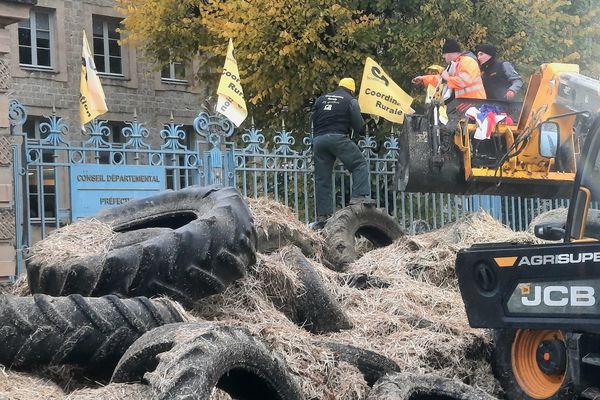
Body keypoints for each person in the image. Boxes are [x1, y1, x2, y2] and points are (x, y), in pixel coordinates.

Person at [310, 77, 373, 229]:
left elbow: (312, 119)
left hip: (318, 140)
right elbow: (358, 126)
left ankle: (323, 216)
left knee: (322, 178)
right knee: (359, 164)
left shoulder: (321, 99)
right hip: (337, 138)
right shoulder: (350, 100)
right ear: (352, 90)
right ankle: (359, 198)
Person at [412, 38, 486, 100]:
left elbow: (463, 81)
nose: (443, 57)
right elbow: (440, 80)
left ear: (450, 53)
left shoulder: (467, 61)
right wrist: (423, 79)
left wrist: (447, 78)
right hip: (466, 104)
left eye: (444, 54)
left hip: (475, 103)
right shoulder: (455, 64)